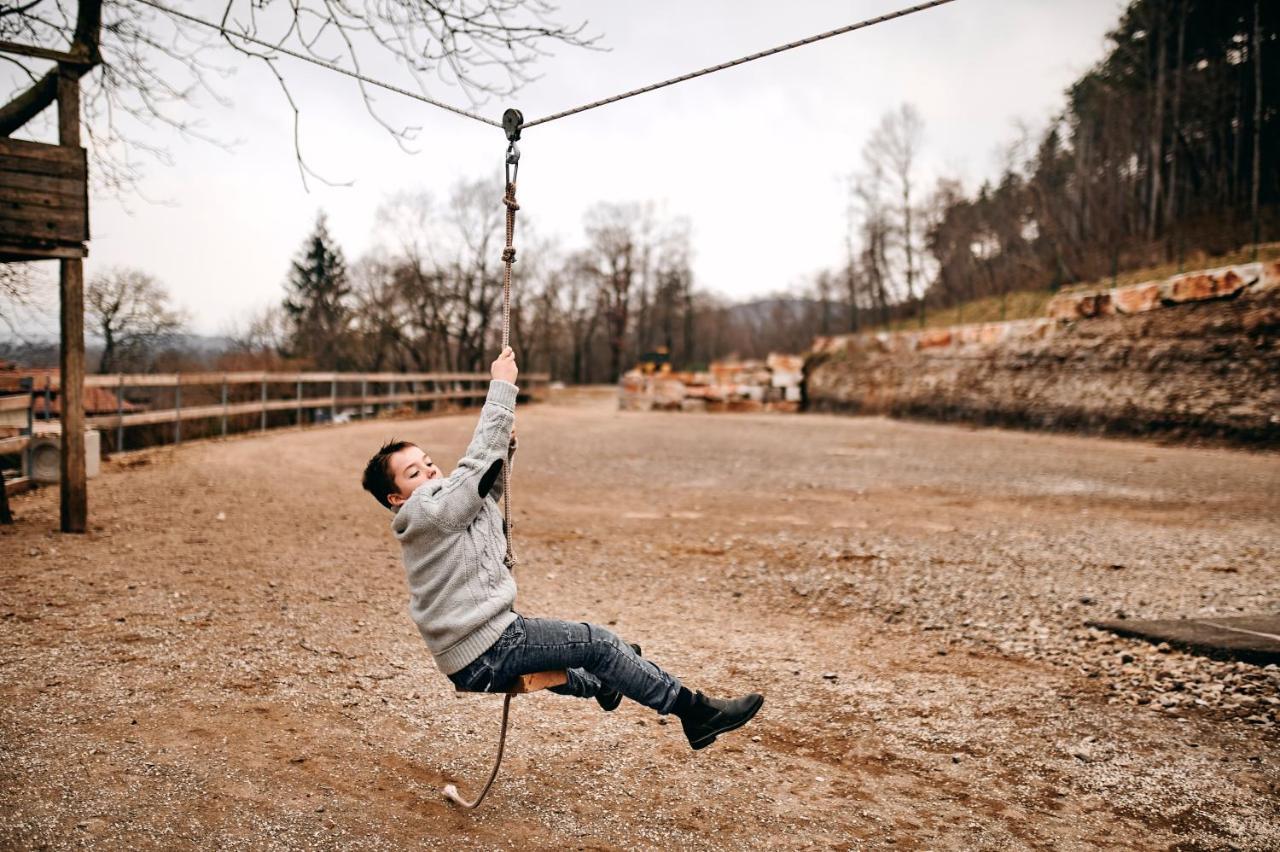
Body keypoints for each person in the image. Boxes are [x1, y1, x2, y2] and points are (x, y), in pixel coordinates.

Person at [361, 346, 763, 750]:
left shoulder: (440, 508)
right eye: (414, 473)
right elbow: (475, 471)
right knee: (599, 644)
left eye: (428, 462)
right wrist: (501, 386)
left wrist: (505, 450)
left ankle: (611, 682)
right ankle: (696, 713)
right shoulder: (427, 509)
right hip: (488, 649)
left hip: (472, 657)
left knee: (577, 661)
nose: (430, 471)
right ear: (396, 498)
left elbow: (483, 491)